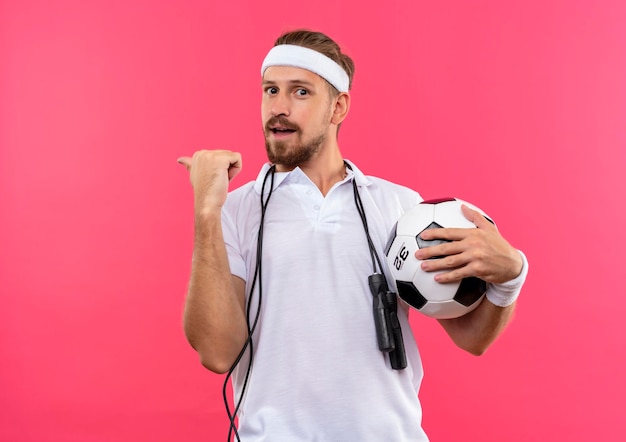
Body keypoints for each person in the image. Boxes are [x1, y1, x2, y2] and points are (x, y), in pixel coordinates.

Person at [177, 29, 528, 441]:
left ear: (338, 107)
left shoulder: (403, 209)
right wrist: (206, 211)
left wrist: (511, 276)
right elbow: (217, 354)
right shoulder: (235, 211)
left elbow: (472, 338)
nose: (279, 107)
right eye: (271, 90)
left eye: (301, 92)